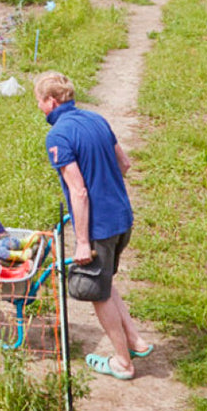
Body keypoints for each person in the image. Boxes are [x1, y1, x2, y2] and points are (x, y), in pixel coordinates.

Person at [34, 71, 151, 380]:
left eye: (40, 102)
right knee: (106, 281)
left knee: (97, 294)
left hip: (99, 228)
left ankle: (123, 363)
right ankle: (136, 340)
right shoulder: (97, 119)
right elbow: (124, 164)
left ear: (52, 101)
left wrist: (83, 241)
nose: (40, 109)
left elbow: (79, 191)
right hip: (123, 218)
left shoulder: (58, 135)